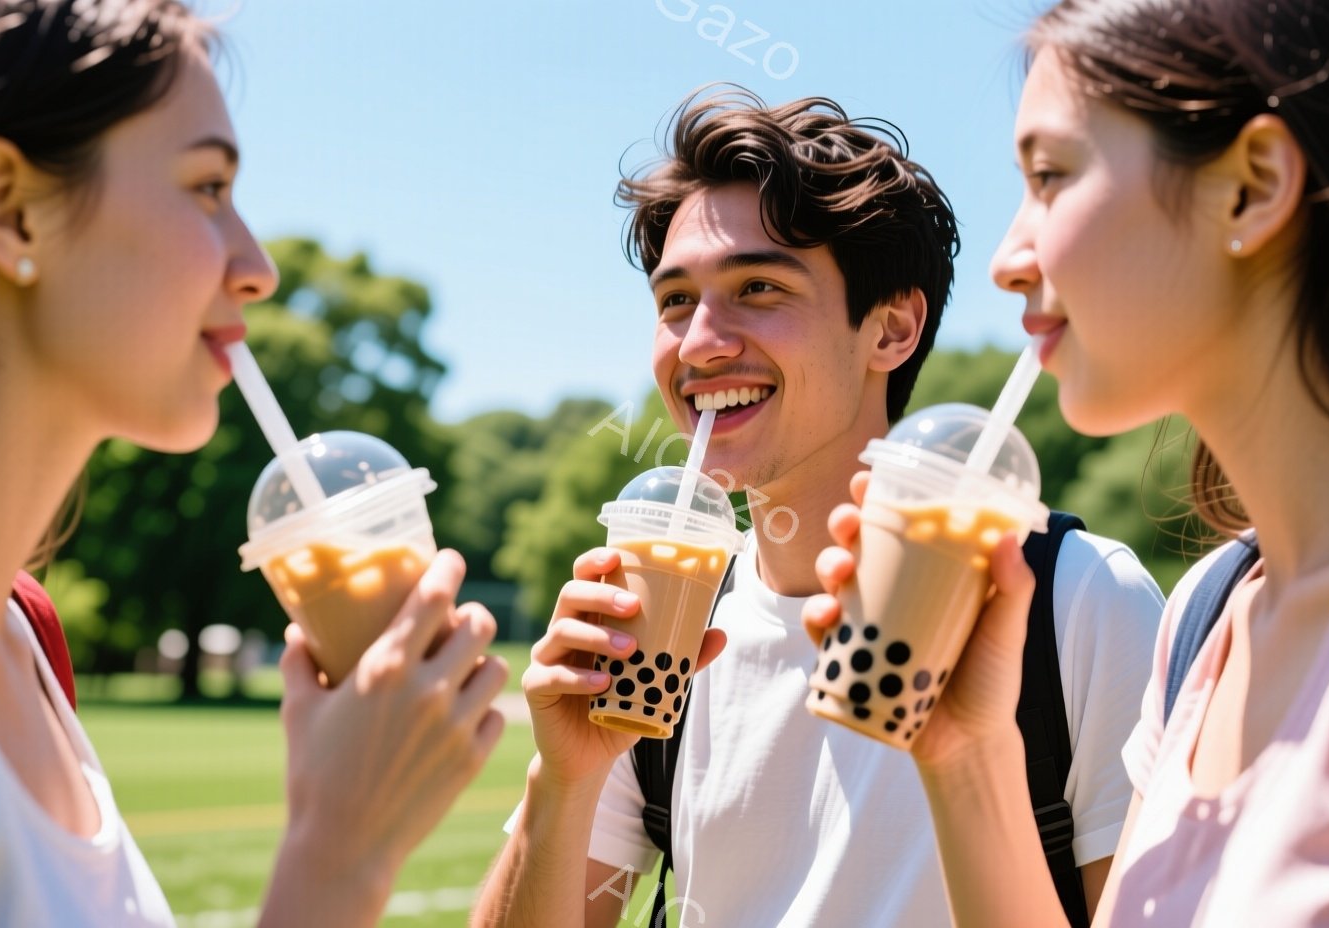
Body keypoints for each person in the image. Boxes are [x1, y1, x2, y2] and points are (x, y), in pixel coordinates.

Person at [805, 0, 1329, 925]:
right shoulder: (1207, 613)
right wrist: (965, 753)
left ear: (1251, 186)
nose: (1008, 257)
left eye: (1051, 176)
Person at [471, 88, 1165, 927]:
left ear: (892, 329)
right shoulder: (664, 623)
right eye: (675, 300)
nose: (698, 344)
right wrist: (564, 780)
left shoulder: (1075, 602)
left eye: (758, 287)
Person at [0, 3, 506, 925]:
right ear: (11, 212)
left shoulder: (26, 632)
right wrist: (341, 851)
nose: (257, 268)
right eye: (208, 188)